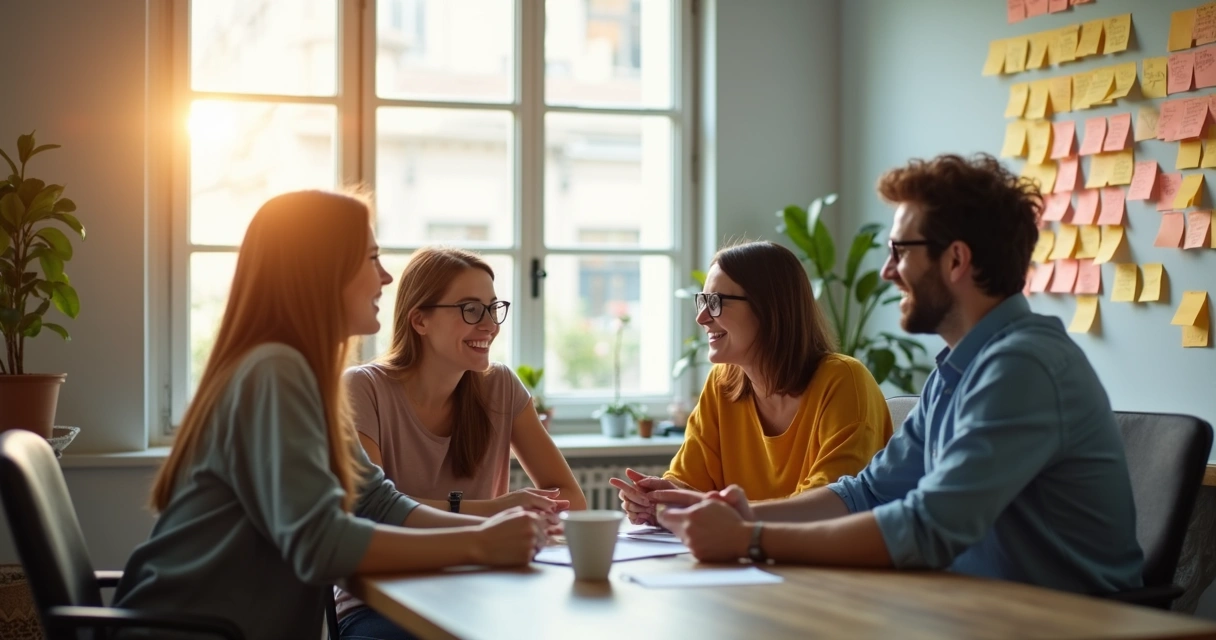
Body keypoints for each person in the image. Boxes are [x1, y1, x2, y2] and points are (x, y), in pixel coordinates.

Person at [653, 154, 1144, 595]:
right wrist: (744, 515)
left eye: (901, 251)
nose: (888, 271)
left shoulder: (1023, 367)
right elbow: (867, 491)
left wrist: (749, 537)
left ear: (955, 259)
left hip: (1068, 622)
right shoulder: (957, 371)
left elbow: (927, 528)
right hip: (975, 610)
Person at [113, 191, 547, 640]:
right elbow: (320, 543)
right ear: (322, 271)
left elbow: (377, 501)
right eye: (372, 258)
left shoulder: (303, 375)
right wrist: (478, 542)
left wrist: (493, 528)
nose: (385, 276)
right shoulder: (275, 372)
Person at [338, 246, 587, 639]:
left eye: (494, 308)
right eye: (471, 310)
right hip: (383, 600)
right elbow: (369, 513)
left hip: (483, 586)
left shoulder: (500, 386)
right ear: (419, 319)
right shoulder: (363, 388)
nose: (489, 324)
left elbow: (572, 497)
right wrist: (494, 512)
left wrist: (527, 513)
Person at [611, 240, 894, 525]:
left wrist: (718, 512)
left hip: (827, 563)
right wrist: (659, 500)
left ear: (769, 308)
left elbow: (830, 507)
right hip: (747, 558)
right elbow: (690, 485)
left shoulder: (844, 381)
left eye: (716, 302)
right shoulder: (721, 385)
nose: (702, 317)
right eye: (702, 301)